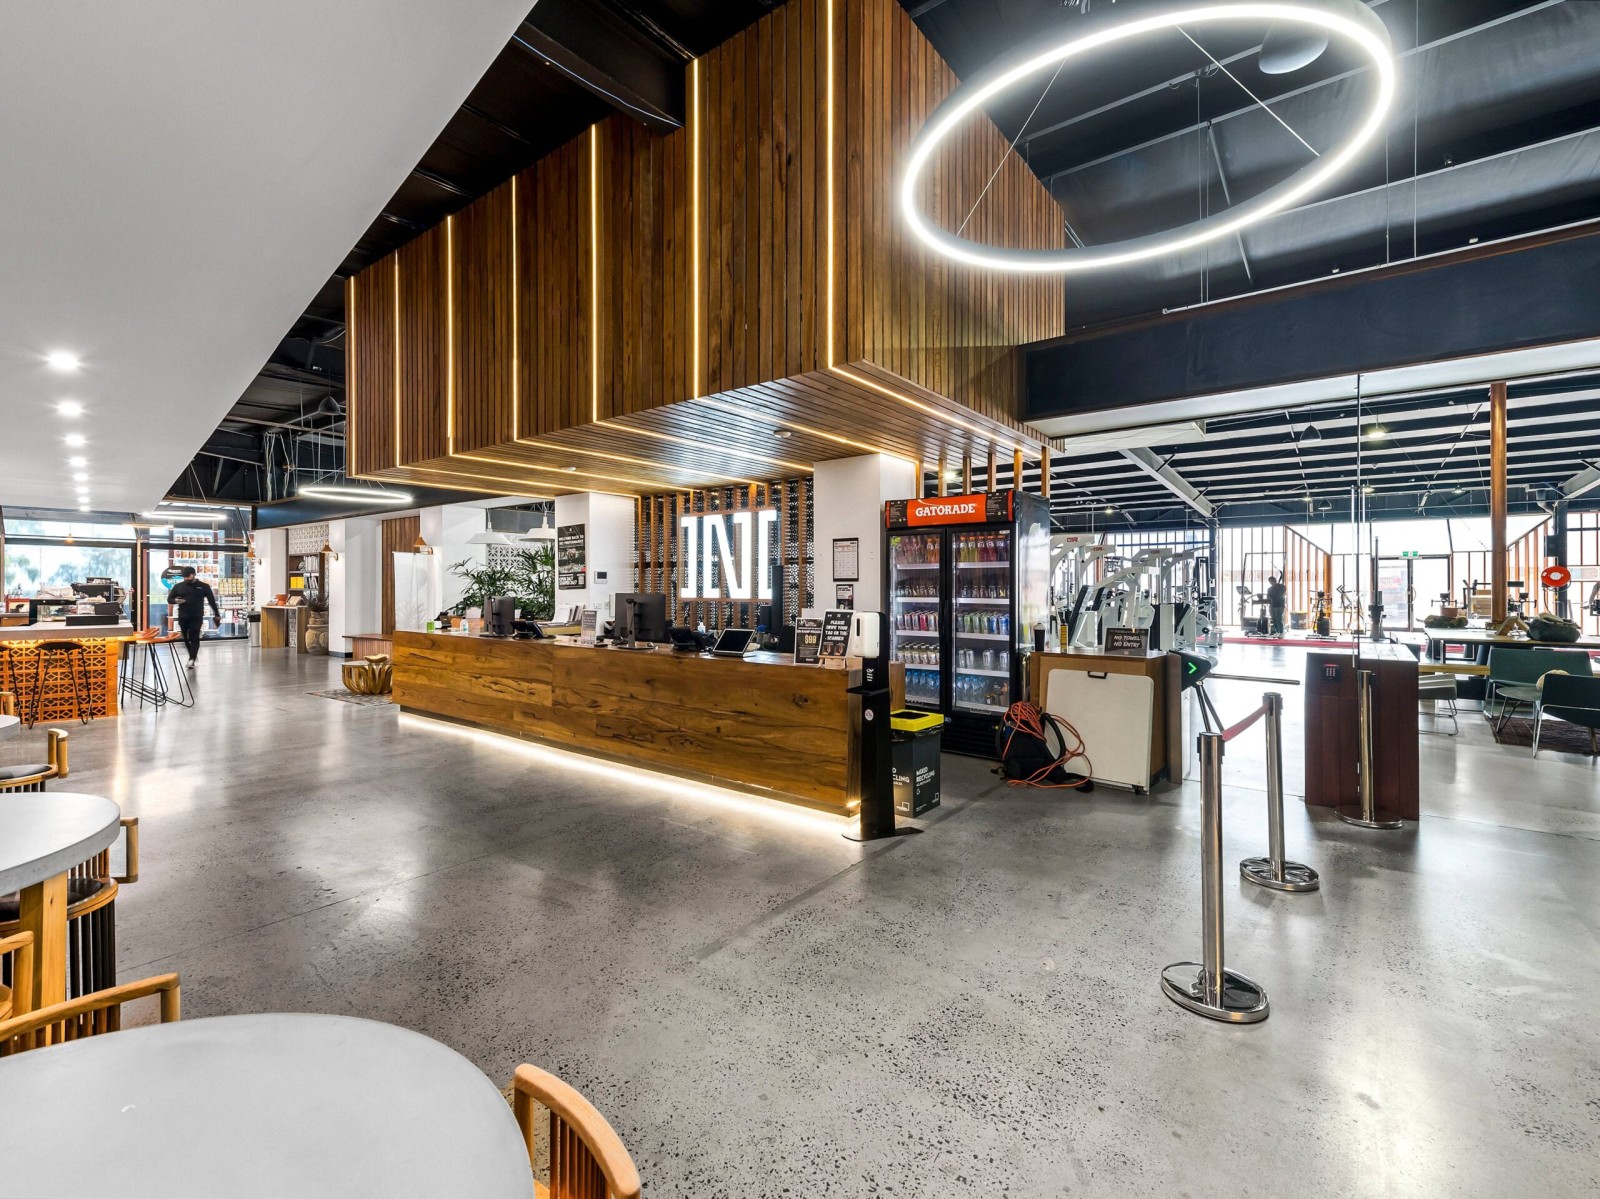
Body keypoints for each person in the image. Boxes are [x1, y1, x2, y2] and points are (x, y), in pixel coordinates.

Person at [166, 567, 222, 668]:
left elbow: (211, 601)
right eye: (184, 577)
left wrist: (217, 614)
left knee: (194, 637)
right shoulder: (178, 586)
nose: (186, 578)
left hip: (197, 616)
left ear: (194, 574)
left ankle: (191, 659)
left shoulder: (204, 586)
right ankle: (193, 655)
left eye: (188, 576)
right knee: (185, 637)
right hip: (183, 616)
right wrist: (175, 601)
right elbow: (169, 599)